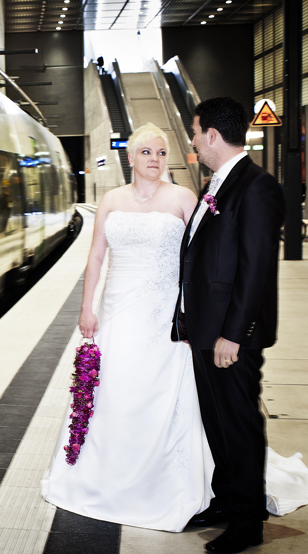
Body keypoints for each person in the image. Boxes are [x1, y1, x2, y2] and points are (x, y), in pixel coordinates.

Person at [42, 123, 212, 531]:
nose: (154, 160)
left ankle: (163, 481)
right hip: (117, 311)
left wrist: (198, 308)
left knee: (159, 390)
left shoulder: (184, 198)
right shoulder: (112, 200)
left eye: (160, 152)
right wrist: (87, 308)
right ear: (131, 157)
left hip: (164, 314)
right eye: (146, 153)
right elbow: (96, 258)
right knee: (113, 389)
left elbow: (202, 257)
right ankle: (103, 476)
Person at [172, 97, 284, 554]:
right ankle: (225, 501)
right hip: (206, 331)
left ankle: (246, 521)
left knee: (239, 426)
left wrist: (233, 335)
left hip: (229, 338)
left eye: (195, 132)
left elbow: (256, 270)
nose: (193, 140)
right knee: (217, 424)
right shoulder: (218, 184)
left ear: (212, 135)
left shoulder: (255, 187)